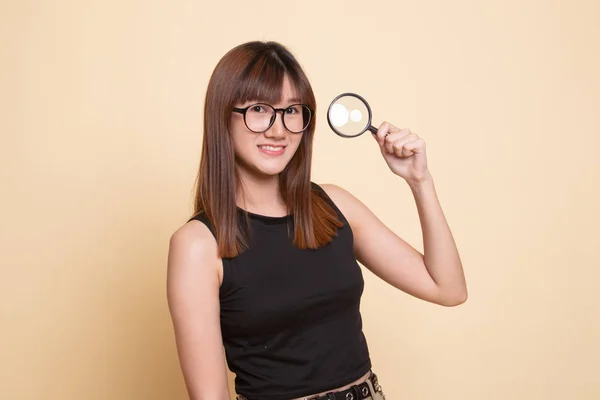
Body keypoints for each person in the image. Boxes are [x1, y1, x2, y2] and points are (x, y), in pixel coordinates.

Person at [166, 41, 467, 400]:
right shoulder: (198, 245)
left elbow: (447, 289)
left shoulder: (334, 205)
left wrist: (420, 181)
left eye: (292, 110)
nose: (278, 130)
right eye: (260, 109)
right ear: (222, 117)